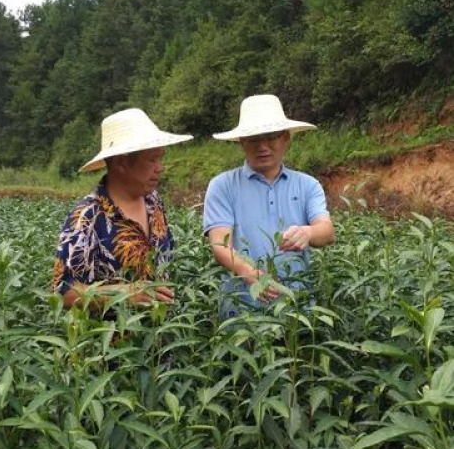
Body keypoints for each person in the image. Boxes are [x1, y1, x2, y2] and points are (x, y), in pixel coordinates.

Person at [203, 94, 334, 317]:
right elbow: (220, 244)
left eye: (271, 136)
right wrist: (249, 273)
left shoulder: (307, 185)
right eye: (254, 138)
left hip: (297, 313)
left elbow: (327, 231)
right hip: (241, 314)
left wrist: (308, 232)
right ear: (242, 141)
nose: (263, 146)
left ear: (286, 138)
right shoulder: (222, 186)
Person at [53, 108, 193, 310]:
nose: (160, 167)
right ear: (121, 163)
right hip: (115, 338)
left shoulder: (154, 202)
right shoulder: (86, 217)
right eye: (152, 159)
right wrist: (124, 294)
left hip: (161, 333)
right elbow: (62, 293)